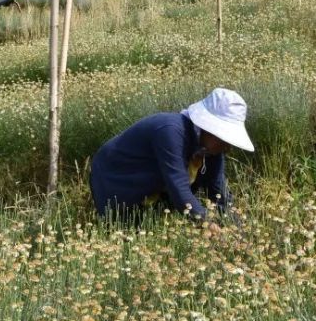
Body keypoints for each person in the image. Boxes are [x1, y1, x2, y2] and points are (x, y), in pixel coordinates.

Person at [89, 88, 254, 226]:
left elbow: (218, 191)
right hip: (116, 177)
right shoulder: (170, 130)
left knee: (153, 227)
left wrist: (236, 227)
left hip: (152, 184)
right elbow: (178, 187)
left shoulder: (211, 148)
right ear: (208, 128)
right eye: (224, 139)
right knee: (123, 229)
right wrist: (207, 224)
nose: (228, 148)